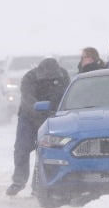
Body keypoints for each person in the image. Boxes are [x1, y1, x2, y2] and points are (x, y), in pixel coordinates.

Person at [6, 58, 70, 196]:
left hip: (52, 118)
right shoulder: (29, 78)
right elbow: (28, 101)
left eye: (54, 78)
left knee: (44, 151)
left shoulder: (63, 76)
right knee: (22, 149)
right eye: (48, 78)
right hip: (28, 118)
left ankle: (38, 184)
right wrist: (41, 113)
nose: (51, 80)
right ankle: (19, 180)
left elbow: (67, 96)